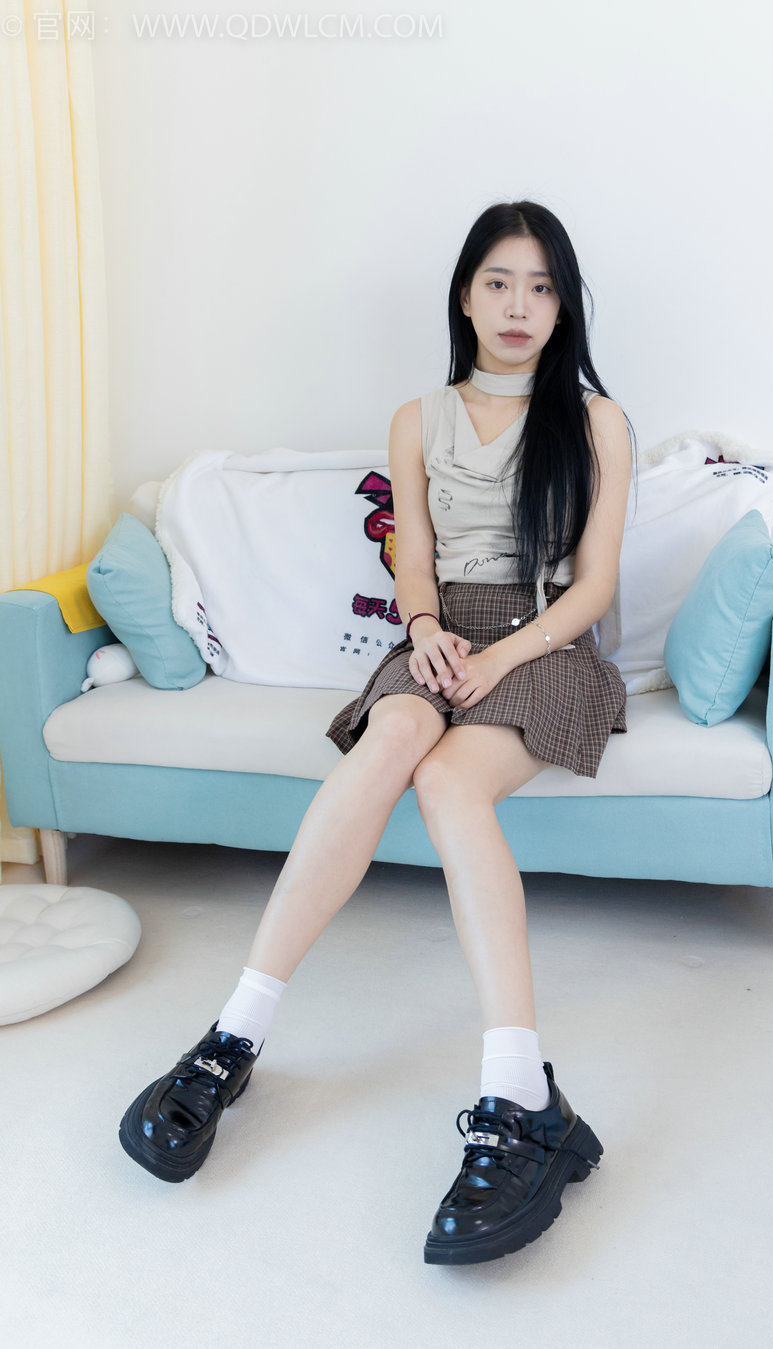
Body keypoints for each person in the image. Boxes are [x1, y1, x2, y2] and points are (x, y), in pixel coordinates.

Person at [118, 199, 636, 1266]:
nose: (520, 305)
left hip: (544, 643)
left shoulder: (596, 422)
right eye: (500, 281)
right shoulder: (418, 416)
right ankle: (235, 1035)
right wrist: (430, 629)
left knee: (448, 782)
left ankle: (519, 1093)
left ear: (564, 306)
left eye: (542, 286)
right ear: (465, 296)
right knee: (394, 738)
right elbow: (414, 559)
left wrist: (501, 655)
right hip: (441, 636)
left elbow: (595, 586)